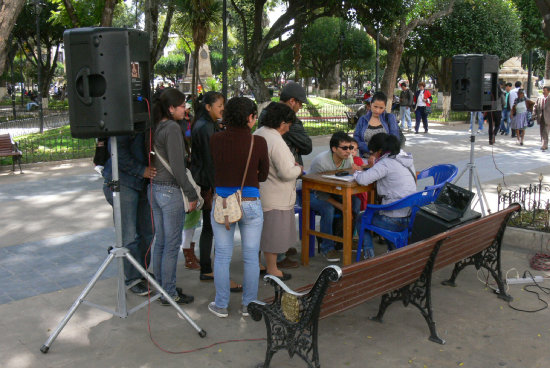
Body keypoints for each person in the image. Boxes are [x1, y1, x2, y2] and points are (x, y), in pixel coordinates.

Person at [208, 97, 269, 318]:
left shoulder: (215, 139)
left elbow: (211, 167)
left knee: (223, 256)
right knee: (251, 257)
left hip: (223, 204)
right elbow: (263, 174)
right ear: (249, 117)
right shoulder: (258, 142)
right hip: (250, 203)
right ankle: (249, 305)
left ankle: (221, 305)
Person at [149, 88, 198, 305]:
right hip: (169, 191)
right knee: (171, 244)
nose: (185, 109)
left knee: (161, 241)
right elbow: (178, 168)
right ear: (170, 108)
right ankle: (168, 291)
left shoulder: (157, 125)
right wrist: (190, 192)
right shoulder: (171, 128)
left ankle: (161, 286)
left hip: (155, 189)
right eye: (181, 105)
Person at [259, 81, 312, 261]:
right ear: (292, 101)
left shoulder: (262, 126)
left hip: (265, 182)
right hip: (277, 186)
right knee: (276, 223)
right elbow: (306, 145)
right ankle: (277, 259)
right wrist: (298, 170)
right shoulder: (276, 138)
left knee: (270, 225)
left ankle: (276, 254)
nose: (300, 107)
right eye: (300, 103)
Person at [102, 134, 156, 296]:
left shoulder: (147, 117)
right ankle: (132, 278)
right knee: (129, 235)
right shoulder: (123, 120)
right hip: (124, 182)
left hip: (141, 183)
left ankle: (140, 270)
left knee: (148, 231)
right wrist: (141, 170)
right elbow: (118, 152)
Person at [254, 102, 303, 279]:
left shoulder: (258, 133)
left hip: (260, 193)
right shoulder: (275, 140)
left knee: (259, 234)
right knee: (272, 236)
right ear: (283, 123)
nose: (288, 130)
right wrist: (299, 169)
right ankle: (273, 269)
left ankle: (258, 264)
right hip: (276, 196)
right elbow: (286, 172)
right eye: (288, 126)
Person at [352, 133, 416, 257]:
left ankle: (368, 255)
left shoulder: (386, 162)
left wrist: (356, 172)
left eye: (373, 152)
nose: (372, 155)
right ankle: (393, 250)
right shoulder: (404, 158)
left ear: (380, 151)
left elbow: (363, 180)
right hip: (410, 215)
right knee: (378, 212)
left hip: (394, 220)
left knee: (361, 217)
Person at [308, 131, 361, 262]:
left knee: (356, 202)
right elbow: (319, 191)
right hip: (312, 193)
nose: (349, 151)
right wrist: (340, 205)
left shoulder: (348, 158)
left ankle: (343, 241)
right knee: (328, 209)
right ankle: (328, 247)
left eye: (350, 148)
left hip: (334, 191)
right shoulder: (321, 162)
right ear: (334, 149)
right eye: (344, 148)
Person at [190, 91, 226, 281]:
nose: (222, 109)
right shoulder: (204, 127)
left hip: (207, 181)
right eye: (219, 106)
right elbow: (209, 159)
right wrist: (215, 187)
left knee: (210, 226)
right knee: (209, 227)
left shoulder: (208, 125)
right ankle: (206, 268)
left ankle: (206, 266)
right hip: (207, 183)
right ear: (208, 107)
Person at [353, 91, 401, 157]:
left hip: (384, 160)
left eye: (381, 108)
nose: (377, 110)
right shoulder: (363, 119)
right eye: (375, 106)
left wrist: (380, 151)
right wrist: (368, 149)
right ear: (370, 104)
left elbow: (395, 140)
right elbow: (356, 138)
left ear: (385, 107)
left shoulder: (390, 118)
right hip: (365, 159)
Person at [350, 139, 369, 211]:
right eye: (351, 148)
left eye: (355, 150)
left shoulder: (358, 159)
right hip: (349, 184)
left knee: (363, 196)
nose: (352, 151)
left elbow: (364, 167)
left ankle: (362, 211)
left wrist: (362, 167)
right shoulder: (344, 159)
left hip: (358, 183)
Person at [534, 86, 550, 151]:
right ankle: (543, 143)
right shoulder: (539, 98)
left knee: (546, 131)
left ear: (548, 91)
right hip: (540, 117)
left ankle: (544, 144)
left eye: (545, 90)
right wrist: (534, 115)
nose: (543, 91)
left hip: (548, 117)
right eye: (543, 90)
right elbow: (535, 106)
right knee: (541, 131)